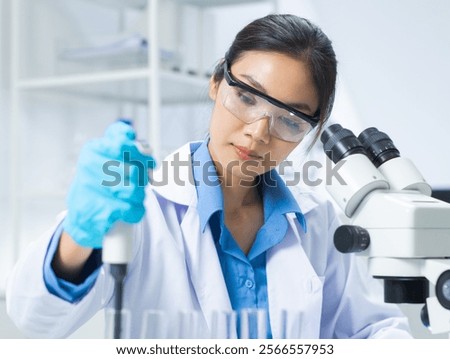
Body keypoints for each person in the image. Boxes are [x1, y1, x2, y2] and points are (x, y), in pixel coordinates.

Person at [6, 14, 412, 339]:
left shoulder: (317, 219)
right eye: (247, 97)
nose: (258, 131)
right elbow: (36, 318)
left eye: (289, 120)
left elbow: (371, 329)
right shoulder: (143, 209)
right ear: (218, 82)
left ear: (314, 127)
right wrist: (80, 234)